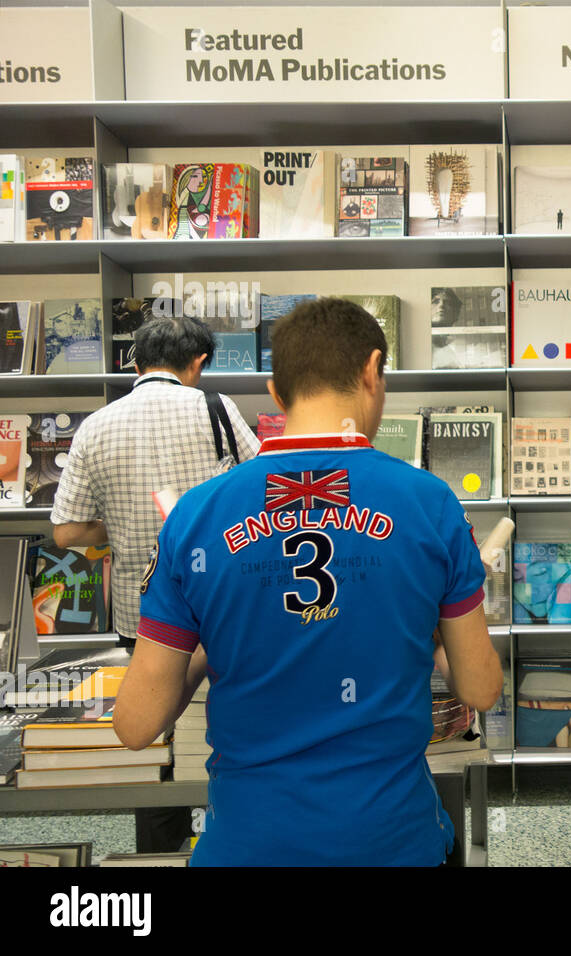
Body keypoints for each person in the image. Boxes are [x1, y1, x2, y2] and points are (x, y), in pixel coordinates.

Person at [113, 297, 502, 866]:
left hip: (248, 846)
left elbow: (136, 724)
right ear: (373, 371)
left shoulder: (195, 516)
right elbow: (480, 690)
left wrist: (207, 645)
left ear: (276, 391)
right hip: (391, 841)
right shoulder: (431, 504)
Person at [51, 315, 258, 853]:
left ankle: (158, 857)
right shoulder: (215, 408)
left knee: (153, 735)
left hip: (142, 615)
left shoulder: (96, 425)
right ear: (198, 363)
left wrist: (115, 526)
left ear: (135, 363)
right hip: (223, 608)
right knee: (231, 726)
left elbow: (66, 531)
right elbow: (261, 490)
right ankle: (230, 835)